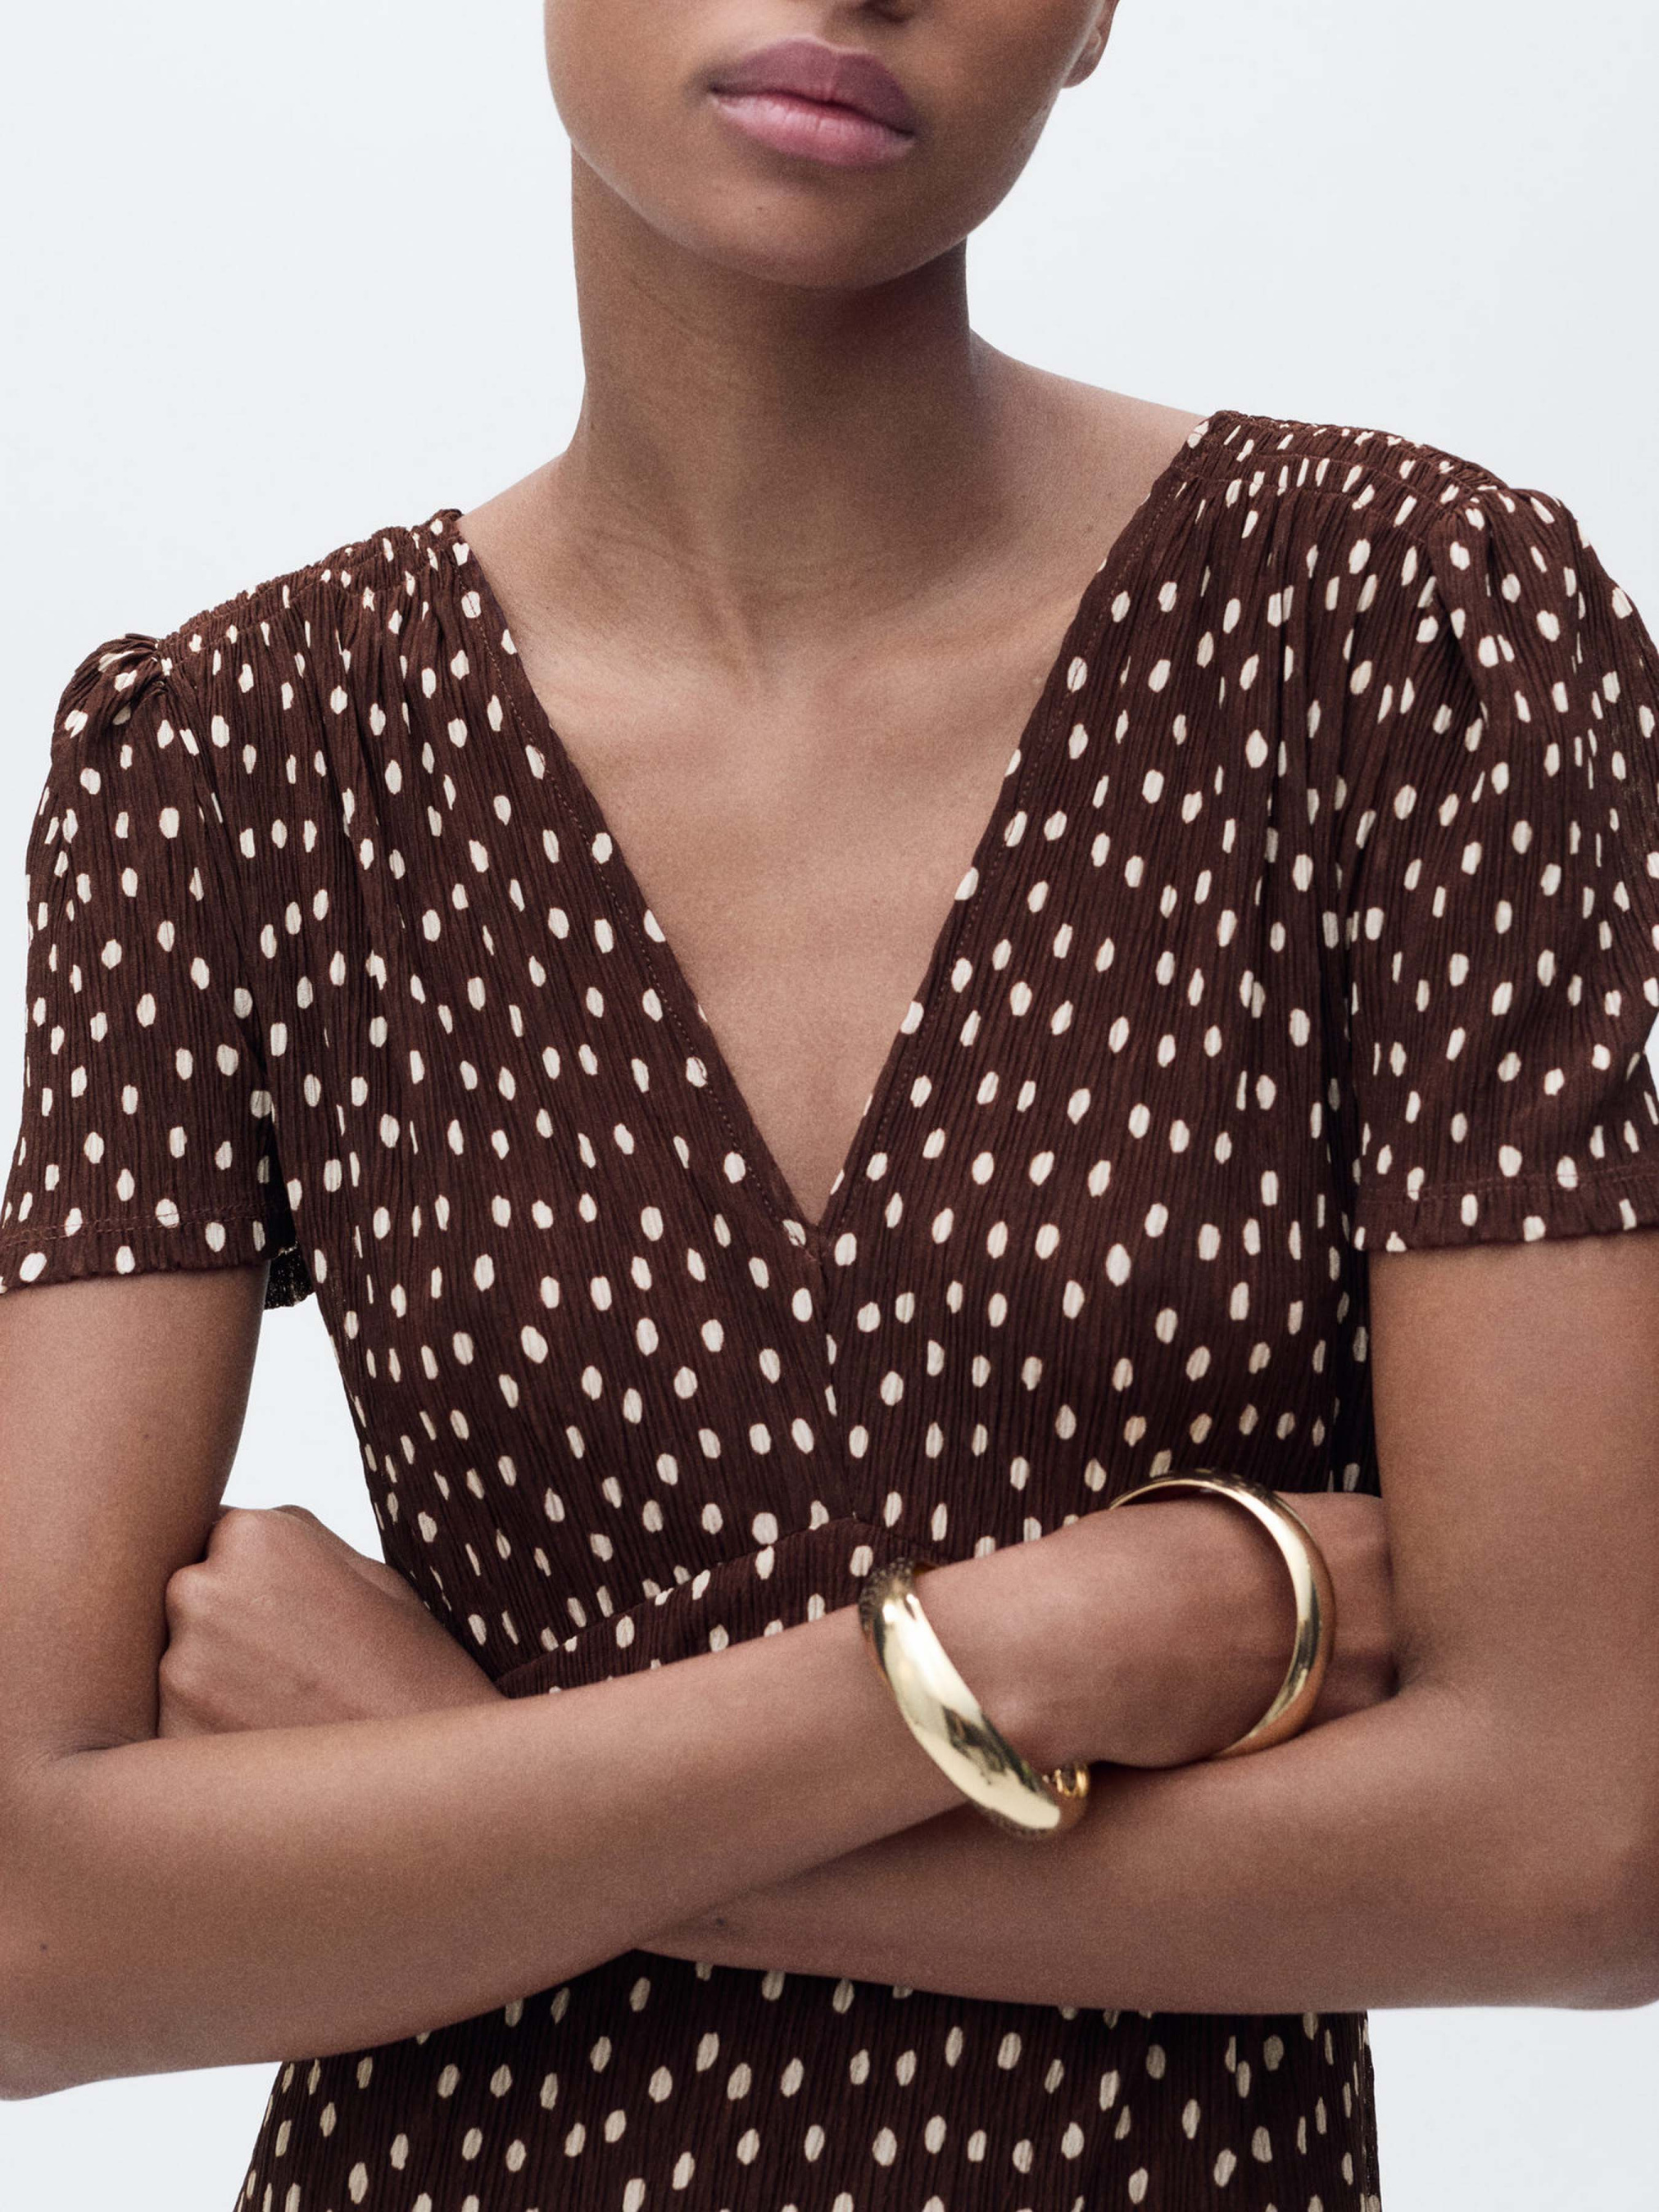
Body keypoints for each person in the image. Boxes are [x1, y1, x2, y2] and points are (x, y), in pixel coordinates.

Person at [2, 4, 1657, 2209]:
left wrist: (480, 1793)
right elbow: (28, 1935)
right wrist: (1014, 1659)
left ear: (1093, 16)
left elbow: (1583, 1847)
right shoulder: (235, 762)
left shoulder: (1399, 638)